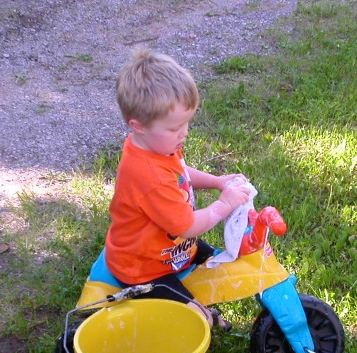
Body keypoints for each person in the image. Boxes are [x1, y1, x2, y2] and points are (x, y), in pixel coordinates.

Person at [104, 47, 251, 329]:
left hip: (170, 251)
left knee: (227, 265)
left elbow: (181, 174)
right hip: (144, 269)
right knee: (199, 321)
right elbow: (187, 226)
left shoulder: (156, 147)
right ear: (138, 126)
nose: (184, 133)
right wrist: (224, 203)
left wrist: (217, 181)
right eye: (174, 128)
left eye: (186, 124)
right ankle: (190, 318)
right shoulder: (148, 175)